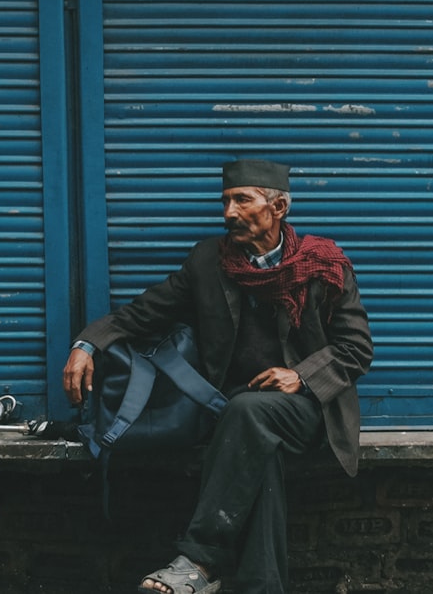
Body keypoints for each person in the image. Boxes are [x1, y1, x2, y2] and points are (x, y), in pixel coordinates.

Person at [62, 159, 373, 594]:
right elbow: (144, 312)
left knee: (249, 412)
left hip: (308, 408)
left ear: (278, 206)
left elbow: (357, 350)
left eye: (242, 201)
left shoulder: (323, 264)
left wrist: (300, 376)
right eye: (226, 201)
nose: (229, 213)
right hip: (235, 417)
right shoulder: (208, 261)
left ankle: (201, 559)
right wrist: (87, 344)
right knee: (256, 447)